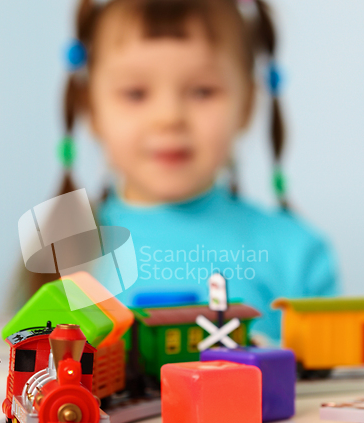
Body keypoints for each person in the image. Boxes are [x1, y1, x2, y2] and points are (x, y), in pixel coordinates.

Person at [34, 0, 339, 346]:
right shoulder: (59, 247)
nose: (168, 116)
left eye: (202, 91)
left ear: (248, 104)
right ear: (90, 106)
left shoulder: (298, 254)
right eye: (135, 93)